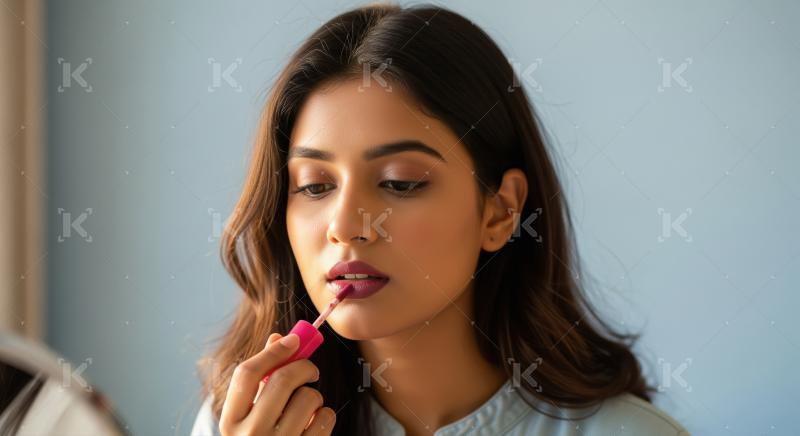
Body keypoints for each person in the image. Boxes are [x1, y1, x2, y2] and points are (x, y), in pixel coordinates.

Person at [191, 4, 690, 435]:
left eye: (400, 182)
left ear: (500, 210)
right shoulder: (237, 425)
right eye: (315, 186)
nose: (346, 224)